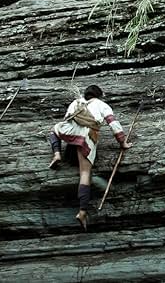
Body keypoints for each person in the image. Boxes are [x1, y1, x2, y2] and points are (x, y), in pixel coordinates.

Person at [47, 85, 131, 229]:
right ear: (99, 95)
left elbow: (67, 118)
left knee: (54, 130)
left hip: (70, 131)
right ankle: (82, 212)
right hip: (87, 137)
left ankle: (57, 154)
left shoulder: (76, 102)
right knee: (85, 173)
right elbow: (113, 123)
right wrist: (122, 142)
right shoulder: (102, 105)